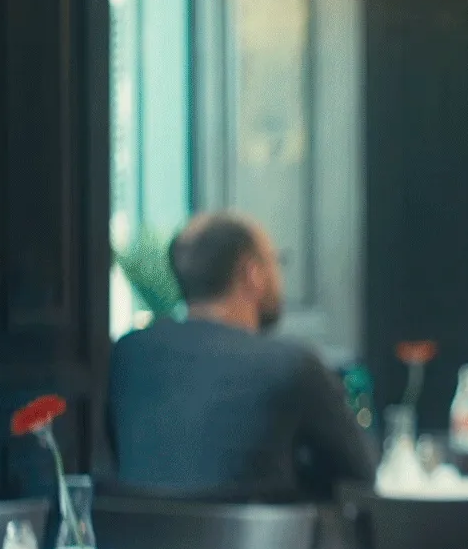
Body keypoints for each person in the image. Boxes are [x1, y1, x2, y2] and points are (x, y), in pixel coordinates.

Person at [107, 211, 373, 502]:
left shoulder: (128, 355)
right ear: (253, 274)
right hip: (265, 546)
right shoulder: (291, 364)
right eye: (275, 260)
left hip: (137, 544)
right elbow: (360, 475)